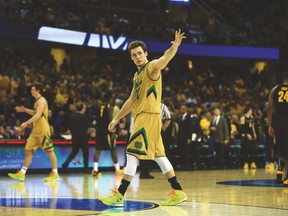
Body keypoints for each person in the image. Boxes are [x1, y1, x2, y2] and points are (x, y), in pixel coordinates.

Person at [97, 29, 187, 206]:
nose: (137, 56)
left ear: (146, 53)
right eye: (134, 55)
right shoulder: (137, 75)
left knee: (131, 154)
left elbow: (165, 58)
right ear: (131, 58)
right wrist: (116, 119)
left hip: (147, 116)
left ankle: (119, 195)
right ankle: (178, 191)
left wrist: (175, 45)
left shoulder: (152, 67)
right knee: (159, 156)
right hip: (148, 117)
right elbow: (131, 100)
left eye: (140, 53)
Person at [8, 83, 60, 182]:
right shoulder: (37, 102)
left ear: (38, 90)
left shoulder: (42, 100)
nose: (31, 91)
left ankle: (55, 173)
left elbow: (38, 115)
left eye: (32, 89)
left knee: (49, 151)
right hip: (35, 131)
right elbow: (35, 113)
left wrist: (26, 123)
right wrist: (25, 110)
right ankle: (22, 173)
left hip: (43, 130)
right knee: (28, 151)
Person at [92, 92, 125, 178]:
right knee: (113, 149)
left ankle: (95, 170)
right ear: (110, 99)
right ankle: (117, 170)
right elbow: (110, 120)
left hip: (99, 130)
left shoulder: (99, 106)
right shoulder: (110, 107)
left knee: (98, 150)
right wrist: (113, 132)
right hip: (107, 130)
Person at [139, 102, 172, 179]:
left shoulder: (163, 106)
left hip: (157, 132)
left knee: (156, 152)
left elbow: (168, 118)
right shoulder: (145, 104)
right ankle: (144, 172)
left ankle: (148, 171)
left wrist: (164, 127)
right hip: (146, 131)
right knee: (145, 151)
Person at [267, 71, 288, 185]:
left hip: (278, 120)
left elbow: (269, 107)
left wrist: (270, 125)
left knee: (279, 146)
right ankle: (287, 176)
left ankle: (279, 172)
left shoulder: (275, 89)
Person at [62, 103, 90, 173]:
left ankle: (65, 164)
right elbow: (87, 126)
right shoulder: (83, 116)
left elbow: (70, 127)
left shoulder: (71, 116)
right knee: (85, 152)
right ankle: (86, 168)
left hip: (74, 137)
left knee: (74, 152)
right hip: (83, 137)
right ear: (83, 109)